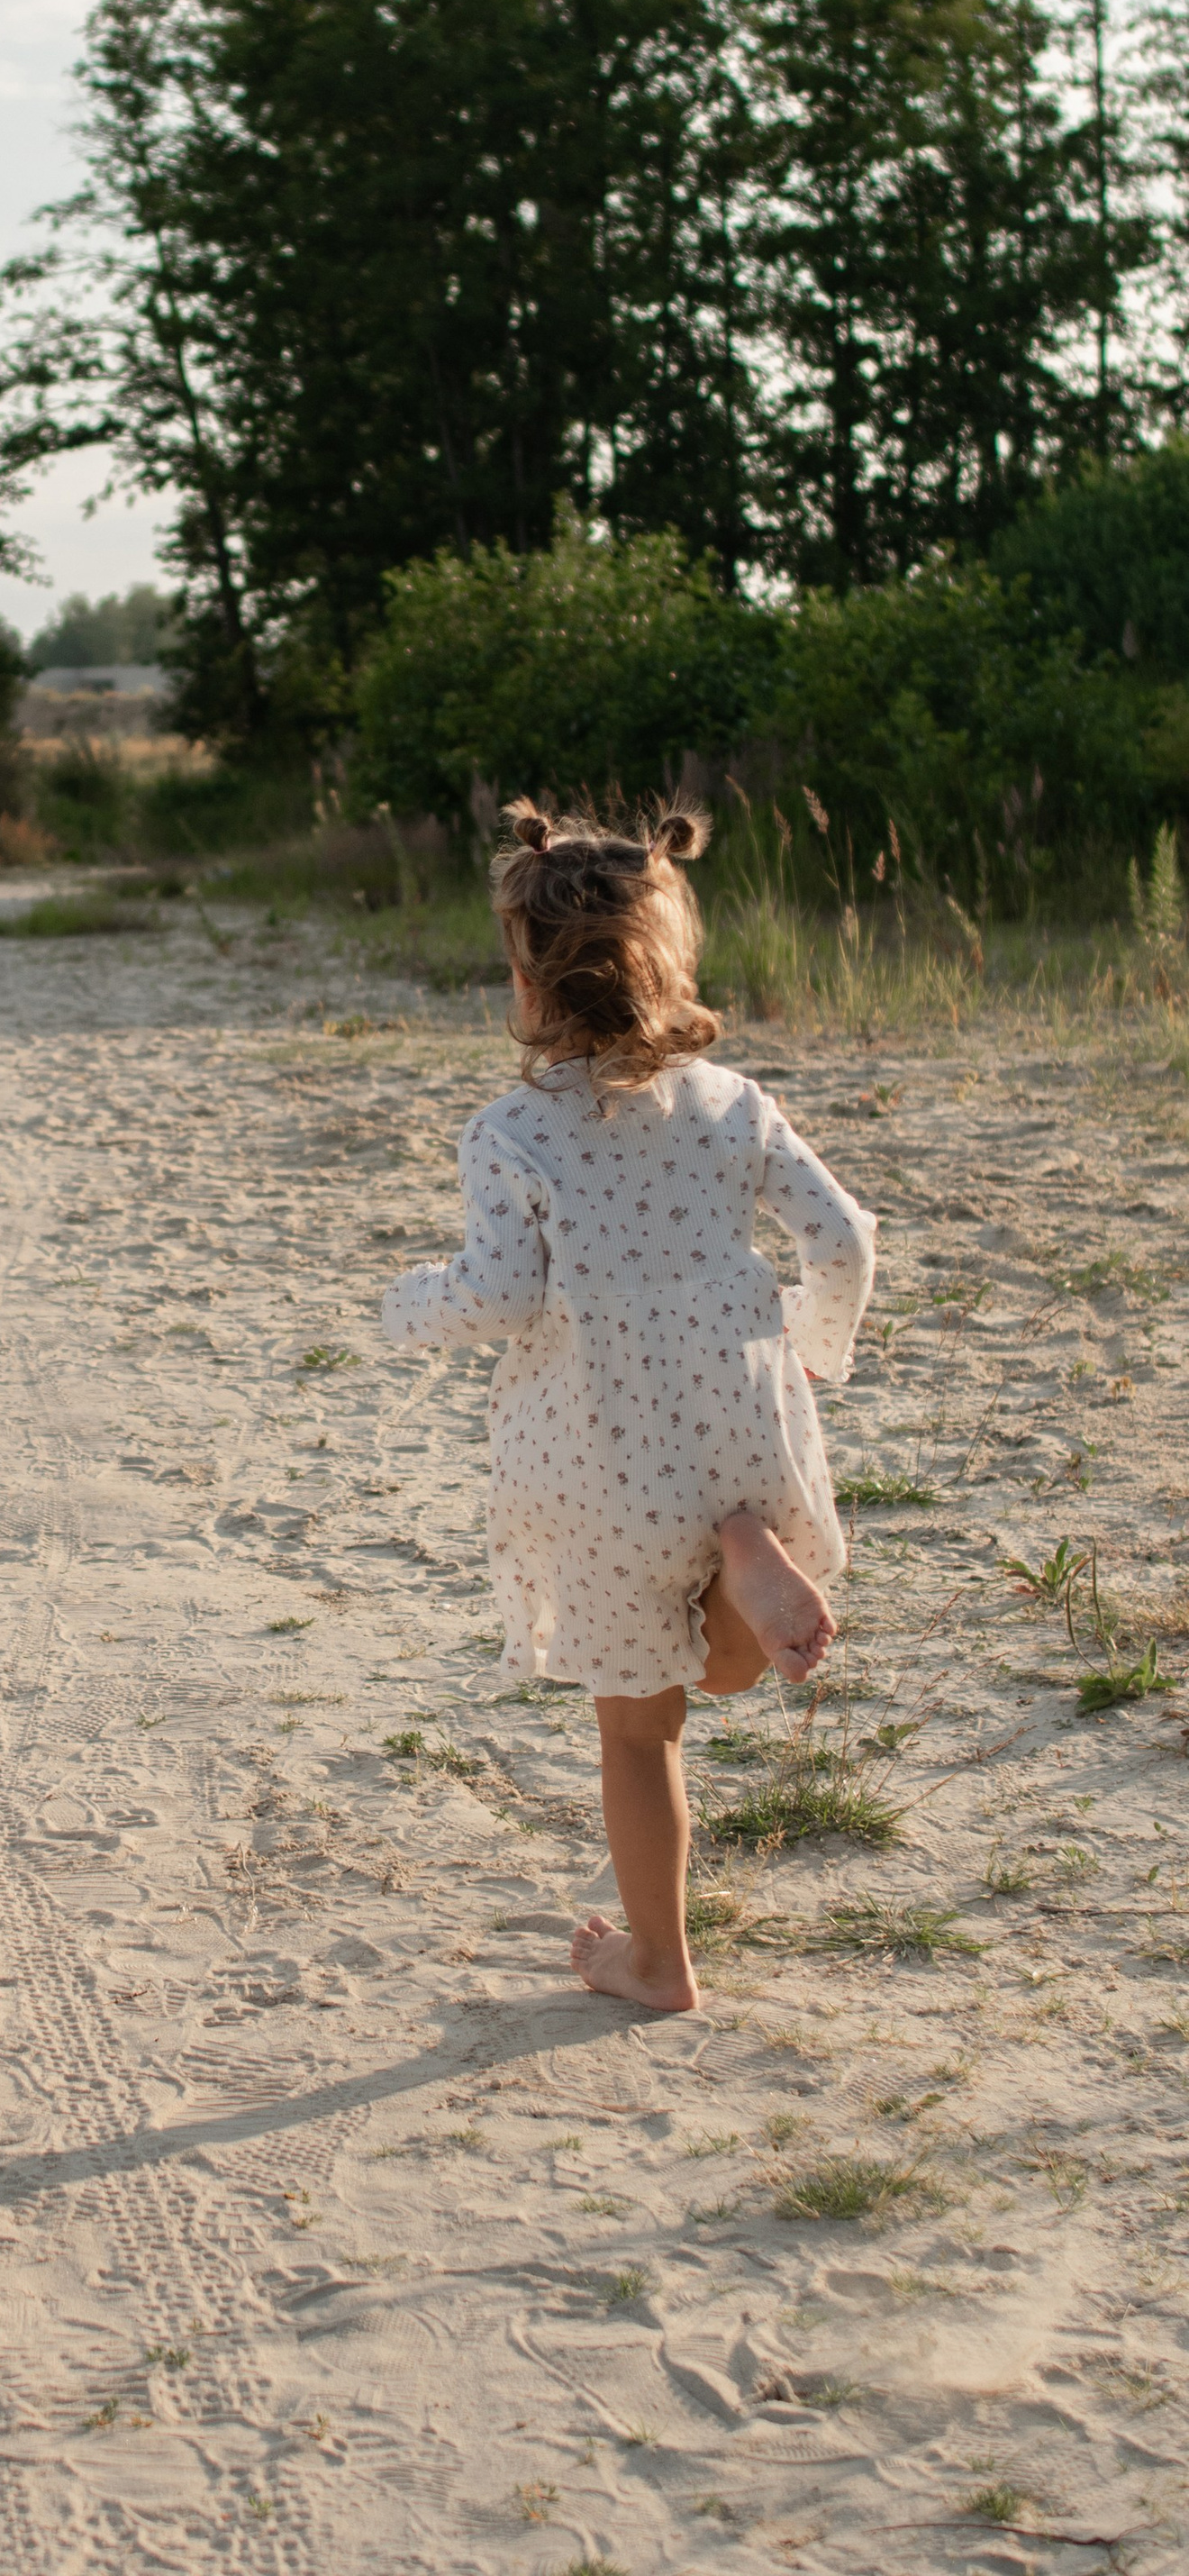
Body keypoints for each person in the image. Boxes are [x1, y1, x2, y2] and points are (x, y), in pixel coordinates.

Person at [379, 802, 874, 2014]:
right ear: (673, 955)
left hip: (601, 1449)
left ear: (528, 975)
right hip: (741, 1420)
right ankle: (745, 1553)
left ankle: (657, 1962)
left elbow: (497, 1293)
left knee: (643, 1731)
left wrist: (409, 1305)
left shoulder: (511, 1131)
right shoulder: (733, 1103)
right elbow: (845, 1235)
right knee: (725, 1670)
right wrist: (812, 1347)